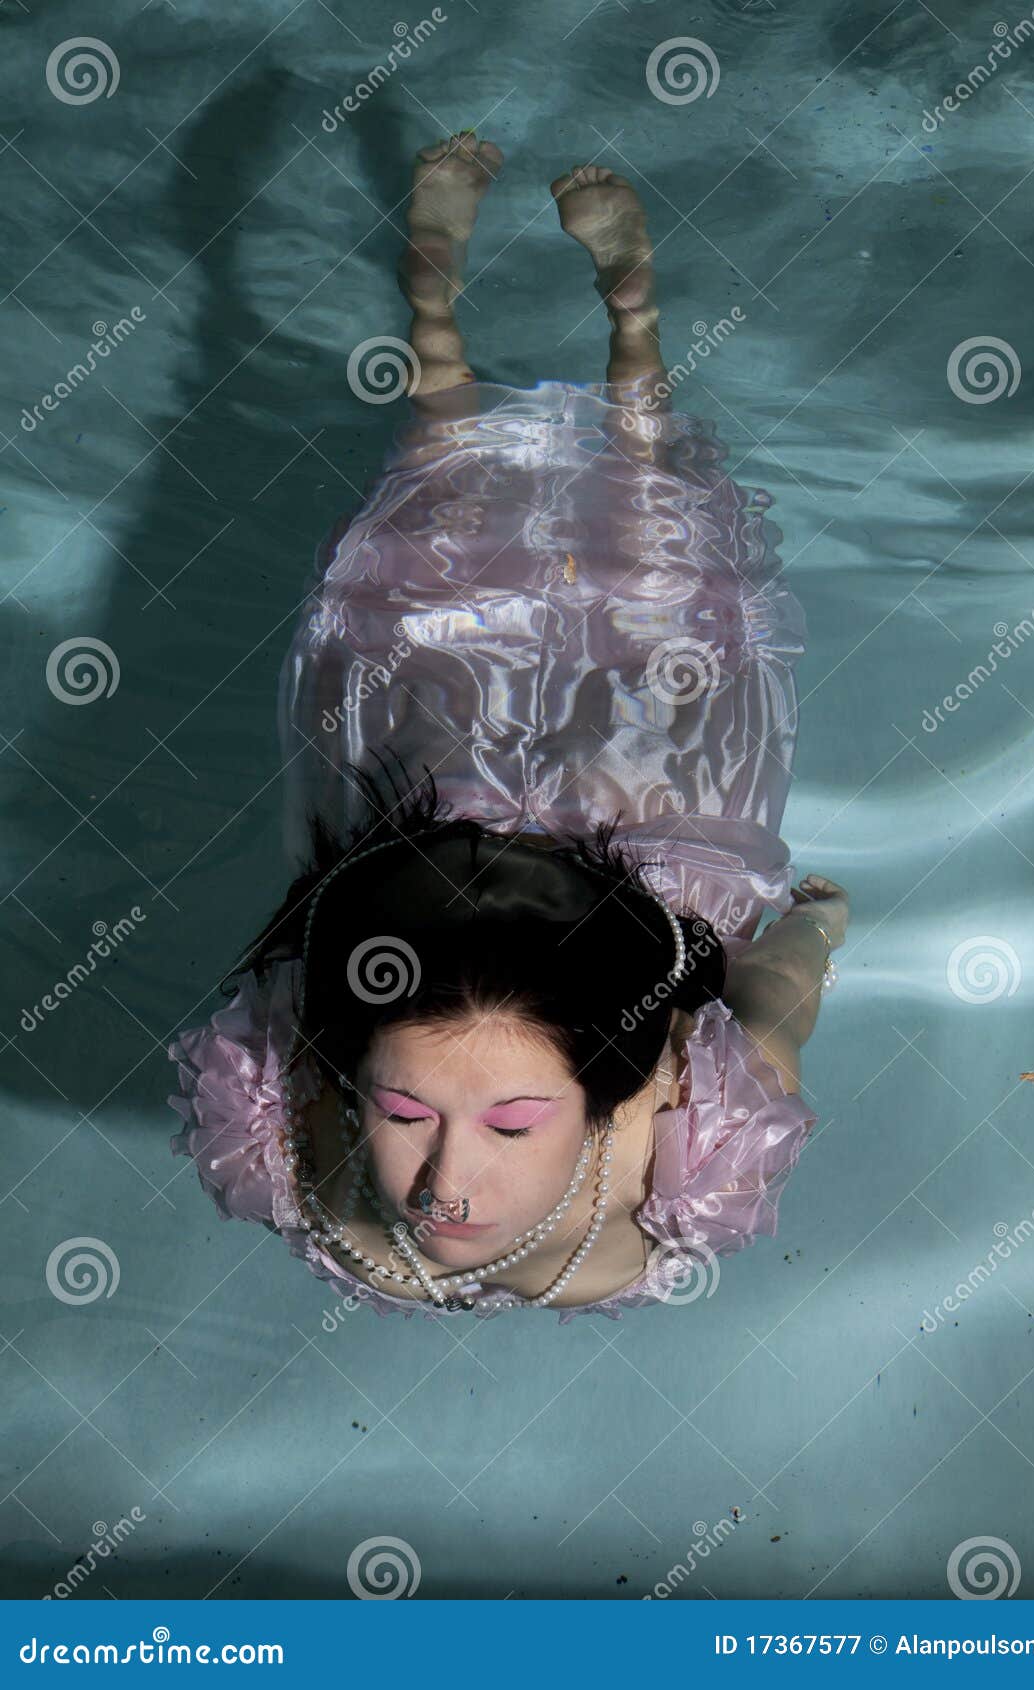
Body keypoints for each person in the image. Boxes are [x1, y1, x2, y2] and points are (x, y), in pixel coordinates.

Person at [167, 133, 851, 1324]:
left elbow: (775, 1000)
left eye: (514, 1122)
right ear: (348, 1075)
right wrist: (816, 925)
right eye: (401, 1111)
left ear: (610, 1098)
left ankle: (461, 317)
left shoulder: (285, 1133)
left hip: (429, 850)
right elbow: (774, 998)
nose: (446, 1182)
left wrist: (822, 926)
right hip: (656, 832)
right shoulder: (701, 1165)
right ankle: (615, 326)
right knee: (664, 581)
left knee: (432, 566)